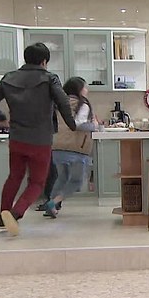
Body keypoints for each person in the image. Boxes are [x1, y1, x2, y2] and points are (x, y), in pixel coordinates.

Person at [0, 42, 76, 236]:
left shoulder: (9, 78)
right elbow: (63, 102)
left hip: (17, 138)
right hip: (40, 140)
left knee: (14, 177)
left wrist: (0, 117)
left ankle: (3, 216)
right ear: (44, 61)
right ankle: (15, 213)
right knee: (37, 183)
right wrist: (72, 124)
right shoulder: (49, 78)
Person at [42, 76, 98, 218]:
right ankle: (53, 203)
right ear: (79, 89)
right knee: (76, 182)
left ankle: (51, 207)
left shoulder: (58, 103)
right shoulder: (82, 104)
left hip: (57, 146)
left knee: (61, 178)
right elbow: (78, 124)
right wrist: (94, 126)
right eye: (85, 87)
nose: (87, 90)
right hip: (76, 148)